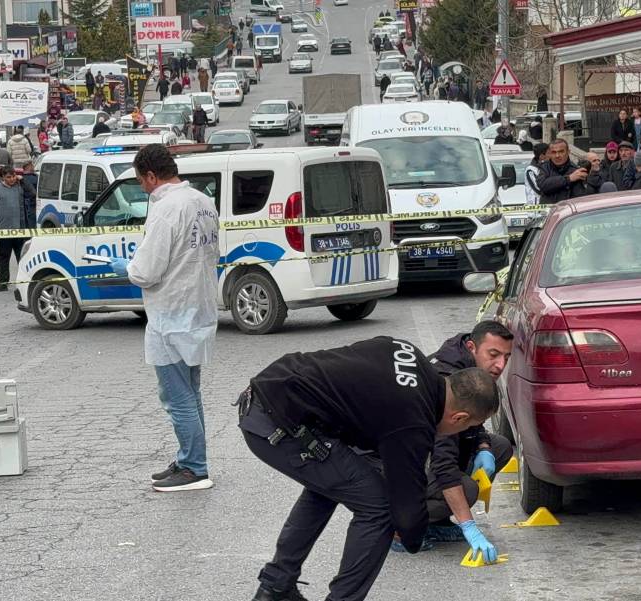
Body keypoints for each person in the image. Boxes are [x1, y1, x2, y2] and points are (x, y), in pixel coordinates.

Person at [239, 337, 499, 601]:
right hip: (277, 423)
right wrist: (415, 535)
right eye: (466, 428)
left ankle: (275, 587)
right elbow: (407, 511)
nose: (460, 432)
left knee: (332, 484)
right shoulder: (412, 421)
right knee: (379, 508)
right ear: (459, 418)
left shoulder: (410, 355)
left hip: (272, 391)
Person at [108, 145, 221, 493]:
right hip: (198, 308)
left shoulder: (165, 208)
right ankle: (190, 458)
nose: (143, 187)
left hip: (171, 314)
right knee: (191, 392)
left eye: (142, 180)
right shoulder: (203, 202)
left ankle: (194, 467)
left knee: (177, 397)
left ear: (151, 176)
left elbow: (148, 271)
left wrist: (127, 267)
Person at [405, 322, 513, 557]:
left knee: (500, 447)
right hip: (394, 465)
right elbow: (443, 464)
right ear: (472, 347)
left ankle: (436, 522)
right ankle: (401, 528)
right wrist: (469, 526)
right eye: (493, 355)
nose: (500, 366)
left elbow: (475, 416)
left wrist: (483, 446)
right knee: (466, 489)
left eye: (506, 357)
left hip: (426, 451)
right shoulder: (447, 381)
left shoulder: (470, 367)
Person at [0, 166, 32, 292]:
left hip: (19, 230)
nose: (12, 179)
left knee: (22, 258)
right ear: (2, 177)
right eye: (8, 177)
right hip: (3, 231)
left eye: (13, 176)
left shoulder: (19, 187)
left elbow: (32, 193)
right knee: (4, 258)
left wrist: (22, 180)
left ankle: (25, 282)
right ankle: (3, 281)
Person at [538, 139, 600, 203]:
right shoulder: (544, 167)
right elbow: (543, 185)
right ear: (550, 154)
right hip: (547, 211)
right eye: (554, 152)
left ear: (568, 152)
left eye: (561, 151)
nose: (557, 155)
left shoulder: (576, 171)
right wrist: (569, 179)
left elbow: (579, 197)